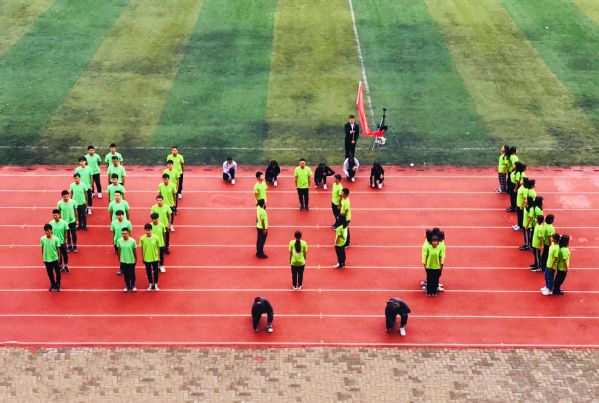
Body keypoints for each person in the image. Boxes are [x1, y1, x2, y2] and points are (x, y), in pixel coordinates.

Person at [41, 224, 62, 292]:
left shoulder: (56, 239)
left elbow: (58, 249)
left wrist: (59, 258)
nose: (46, 232)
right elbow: (42, 248)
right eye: (45, 231)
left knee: (57, 272)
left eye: (48, 230)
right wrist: (43, 257)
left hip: (55, 259)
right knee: (50, 273)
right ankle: (53, 284)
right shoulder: (42, 239)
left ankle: (58, 284)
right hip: (47, 259)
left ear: (51, 230)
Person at [141, 223, 161, 291]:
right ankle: (150, 284)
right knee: (148, 272)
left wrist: (158, 257)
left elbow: (158, 247)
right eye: (146, 230)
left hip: (155, 258)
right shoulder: (142, 238)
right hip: (147, 258)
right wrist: (143, 258)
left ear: (151, 230)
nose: (148, 232)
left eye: (149, 230)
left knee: (156, 272)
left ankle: (155, 284)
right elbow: (142, 249)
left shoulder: (156, 238)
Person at [117, 228, 137, 292]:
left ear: (128, 233)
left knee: (132, 273)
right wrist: (119, 258)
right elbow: (119, 250)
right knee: (126, 274)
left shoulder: (133, 241)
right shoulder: (119, 241)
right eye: (122, 233)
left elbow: (134, 251)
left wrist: (135, 259)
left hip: (131, 260)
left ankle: (133, 285)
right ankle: (127, 286)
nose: (124, 235)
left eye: (125, 233)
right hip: (123, 260)